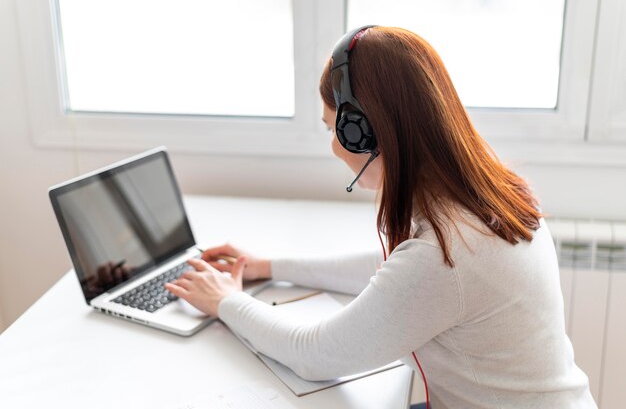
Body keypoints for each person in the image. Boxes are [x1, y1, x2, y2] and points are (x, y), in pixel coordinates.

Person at [164, 26, 597, 408]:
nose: (333, 145)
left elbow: (314, 354)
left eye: (333, 127)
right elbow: (395, 274)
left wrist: (225, 301)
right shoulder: (486, 199)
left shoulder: (443, 258)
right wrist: (268, 267)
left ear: (365, 131)